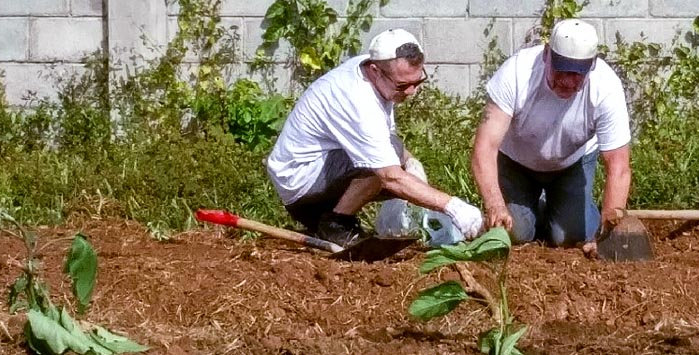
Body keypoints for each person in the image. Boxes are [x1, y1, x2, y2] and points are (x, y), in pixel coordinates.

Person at [266, 28, 484, 248]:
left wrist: (411, 163)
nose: (411, 92)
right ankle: (335, 223)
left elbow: (388, 143)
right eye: (403, 85)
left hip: (318, 174)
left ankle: (340, 218)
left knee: (395, 152)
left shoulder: (375, 71)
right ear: (375, 71)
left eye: (417, 82)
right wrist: (453, 206)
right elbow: (389, 176)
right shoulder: (357, 99)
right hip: (302, 186)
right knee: (383, 165)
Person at [470, 18, 631, 251]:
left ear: (592, 65)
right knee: (515, 232)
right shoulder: (516, 73)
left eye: (577, 74)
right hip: (517, 162)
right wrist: (495, 204)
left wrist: (608, 236)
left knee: (571, 237)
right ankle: (534, 210)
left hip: (572, 162)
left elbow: (618, 166)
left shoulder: (606, 88)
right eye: (561, 69)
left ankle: (557, 210)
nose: (567, 81)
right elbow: (484, 147)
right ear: (546, 54)